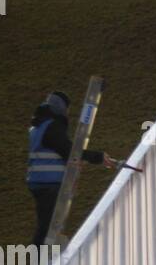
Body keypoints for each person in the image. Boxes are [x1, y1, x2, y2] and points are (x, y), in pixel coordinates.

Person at [27, 90, 115, 246]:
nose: (67, 112)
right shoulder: (52, 126)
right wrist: (98, 157)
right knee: (48, 228)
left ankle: (40, 259)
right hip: (50, 185)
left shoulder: (37, 127)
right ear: (60, 108)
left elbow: (57, 152)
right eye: (66, 108)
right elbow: (69, 151)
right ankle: (41, 262)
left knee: (45, 226)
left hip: (38, 183)